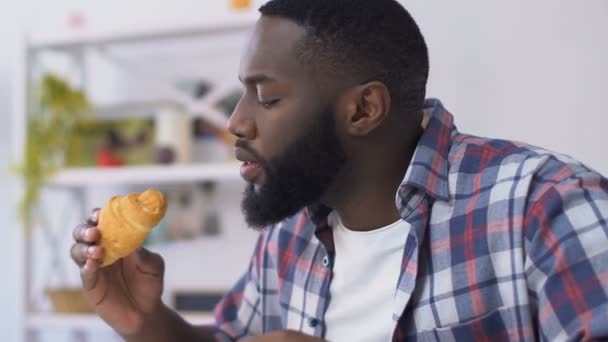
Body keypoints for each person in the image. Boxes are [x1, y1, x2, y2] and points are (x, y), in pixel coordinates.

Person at [70, 0, 608, 341]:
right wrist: (146, 322)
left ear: (362, 109)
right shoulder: (289, 234)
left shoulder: (547, 207)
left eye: (266, 97)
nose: (236, 122)